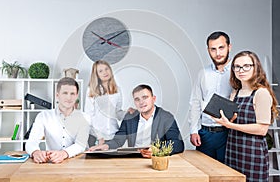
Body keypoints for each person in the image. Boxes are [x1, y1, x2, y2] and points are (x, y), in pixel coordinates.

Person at [212, 51, 278, 181]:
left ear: (256, 67)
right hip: (234, 148)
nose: (241, 70)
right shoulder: (235, 93)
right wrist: (222, 118)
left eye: (246, 66)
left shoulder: (261, 93)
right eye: (237, 66)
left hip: (252, 151)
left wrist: (230, 125)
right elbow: (234, 119)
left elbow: (262, 129)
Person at [89, 84, 185, 158]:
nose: (141, 102)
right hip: (133, 159)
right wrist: (105, 146)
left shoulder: (166, 117)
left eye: (145, 97)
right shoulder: (129, 117)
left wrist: (157, 150)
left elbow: (178, 144)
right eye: (137, 99)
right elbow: (118, 140)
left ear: (153, 99)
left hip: (155, 159)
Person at [188, 31, 232, 163]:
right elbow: (195, 102)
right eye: (213, 49)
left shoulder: (238, 72)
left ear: (229, 47)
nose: (217, 53)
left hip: (229, 133)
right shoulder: (203, 73)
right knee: (205, 172)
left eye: (221, 48)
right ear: (208, 50)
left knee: (228, 174)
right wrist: (193, 130)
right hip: (205, 133)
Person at [26, 77, 89, 164]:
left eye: (72, 93)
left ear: (77, 95)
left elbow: (80, 145)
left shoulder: (85, 117)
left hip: (78, 163)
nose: (69, 97)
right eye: (65, 93)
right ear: (57, 95)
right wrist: (35, 152)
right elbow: (31, 141)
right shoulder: (43, 116)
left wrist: (64, 154)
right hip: (52, 163)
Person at [85, 60, 125, 147]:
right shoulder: (91, 91)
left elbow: (117, 113)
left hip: (113, 135)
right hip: (97, 137)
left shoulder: (117, 90)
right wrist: (99, 137)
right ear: (96, 75)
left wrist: (128, 113)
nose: (105, 72)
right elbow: (89, 117)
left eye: (106, 69)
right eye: (100, 71)